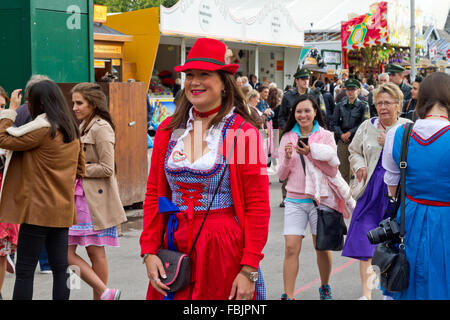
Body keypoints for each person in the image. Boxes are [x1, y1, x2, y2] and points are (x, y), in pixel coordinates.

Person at [140, 37, 270, 300]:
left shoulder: (242, 134)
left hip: (222, 248)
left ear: (224, 83)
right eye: (189, 75)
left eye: (204, 74)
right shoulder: (169, 130)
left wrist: (249, 269)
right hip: (174, 243)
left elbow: (258, 204)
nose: (194, 82)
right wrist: (149, 250)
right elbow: (155, 193)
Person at [0, 79, 85, 300]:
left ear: (38, 103)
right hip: (63, 210)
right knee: (61, 269)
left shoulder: (43, 129)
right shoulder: (71, 130)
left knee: (25, 272)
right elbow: (80, 168)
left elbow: (2, 138)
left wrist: (10, 110)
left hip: (38, 210)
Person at [277, 94, 355, 300]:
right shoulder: (287, 137)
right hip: (294, 199)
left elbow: (332, 169)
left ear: (315, 113)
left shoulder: (326, 136)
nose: (302, 115)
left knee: (321, 247)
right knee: (291, 247)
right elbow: (281, 175)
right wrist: (286, 158)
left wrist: (311, 152)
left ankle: (325, 286)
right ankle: (289, 295)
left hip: (320, 200)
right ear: (294, 114)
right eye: (298, 111)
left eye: (307, 111)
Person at [382, 72, 450, 300]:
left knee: (409, 281)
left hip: (409, 219)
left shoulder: (399, 134)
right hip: (446, 220)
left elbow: (392, 188)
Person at [342, 83, 411, 300]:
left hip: (395, 194)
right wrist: (359, 164)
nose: (382, 107)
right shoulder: (367, 126)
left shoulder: (407, 127)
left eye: (387, 103)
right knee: (366, 243)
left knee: (391, 245)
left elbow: (413, 160)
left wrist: (391, 142)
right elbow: (353, 151)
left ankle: (387, 292)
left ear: (398, 105)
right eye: (379, 103)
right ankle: (366, 294)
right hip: (370, 191)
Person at [68, 83, 127, 300]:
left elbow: (107, 167)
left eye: (79, 103)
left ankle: (102, 294)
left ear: (92, 104)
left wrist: (76, 169)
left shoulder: (100, 127)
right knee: (71, 252)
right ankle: (105, 294)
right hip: (80, 197)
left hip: (91, 200)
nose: (74, 107)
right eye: (73, 102)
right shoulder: (85, 125)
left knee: (93, 252)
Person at [0, 87, 20, 300]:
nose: (0, 111)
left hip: (5, 197)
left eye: (3, 106)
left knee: (1, 253)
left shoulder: (8, 130)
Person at [332, 79, 370, 184]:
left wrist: (350, 133)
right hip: (343, 141)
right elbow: (334, 123)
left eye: (353, 89)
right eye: (348, 89)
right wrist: (341, 134)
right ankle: (344, 197)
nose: (350, 92)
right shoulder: (339, 105)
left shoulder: (363, 105)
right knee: (342, 171)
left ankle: (356, 196)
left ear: (358, 91)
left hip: (357, 141)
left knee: (358, 171)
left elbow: (365, 124)